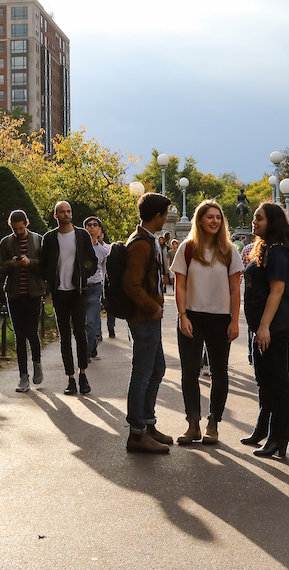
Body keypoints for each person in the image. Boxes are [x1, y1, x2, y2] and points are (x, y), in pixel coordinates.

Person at [170, 200, 243, 445]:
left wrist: (234, 321)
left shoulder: (230, 251)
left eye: (218, 218)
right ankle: (193, 424)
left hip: (221, 318)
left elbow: (235, 289)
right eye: (209, 217)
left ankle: (213, 423)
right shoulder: (187, 248)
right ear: (200, 220)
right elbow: (179, 284)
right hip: (192, 316)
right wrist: (182, 316)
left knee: (219, 372)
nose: (214, 221)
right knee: (189, 372)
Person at [241, 201, 289, 460]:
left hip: (274, 327)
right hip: (265, 327)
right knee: (266, 380)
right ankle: (264, 430)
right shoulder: (266, 249)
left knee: (278, 382)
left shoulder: (277, 253)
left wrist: (264, 326)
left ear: (273, 223)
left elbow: (277, 292)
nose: (254, 222)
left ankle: (279, 437)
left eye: (259, 218)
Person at [124, 192, 173, 454]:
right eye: (165, 214)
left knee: (156, 368)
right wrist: (152, 306)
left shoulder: (147, 239)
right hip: (144, 318)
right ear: (157, 216)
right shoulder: (141, 243)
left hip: (148, 317)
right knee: (143, 373)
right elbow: (131, 284)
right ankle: (137, 433)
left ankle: (147, 423)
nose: (166, 218)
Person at [39, 201, 98, 395]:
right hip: (59, 292)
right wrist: (50, 280)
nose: (66, 214)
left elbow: (93, 260)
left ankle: (83, 374)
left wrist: (83, 276)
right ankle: (70, 378)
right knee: (64, 335)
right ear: (56, 216)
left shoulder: (81, 235)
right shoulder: (49, 238)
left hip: (78, 291)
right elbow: (43, 263)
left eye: (69, 211)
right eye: (62, 212)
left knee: (80, 333)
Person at [0, 210, 47, 393]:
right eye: (15, 228)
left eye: (21, 228)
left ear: (27, 223)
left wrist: (30, 262)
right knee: (19, 336)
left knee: (32, 333)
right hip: (14, 294)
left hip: (34, 293)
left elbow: (46, 266)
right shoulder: (6, 243)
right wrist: (12, 264)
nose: (18, 231)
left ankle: (37, 364)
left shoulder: (38, 240)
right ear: (10, 226)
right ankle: (23, 376)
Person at [82, 217, 110, 359]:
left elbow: (104, 271)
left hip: (95, 288)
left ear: (99, 229)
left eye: (95, 225)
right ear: (85, 228)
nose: (92, 227)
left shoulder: (103, 251)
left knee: (91, 321)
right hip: (80, 288)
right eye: (89, 225)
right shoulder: (78, 248)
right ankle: (91, 348)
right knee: (82, 322)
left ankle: (88, 351)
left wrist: (106, 290)